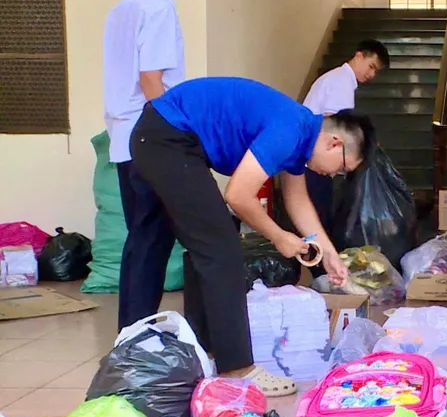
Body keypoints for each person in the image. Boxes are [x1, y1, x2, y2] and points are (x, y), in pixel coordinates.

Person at [129, 76, 372, 395]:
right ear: (333, 143)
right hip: (169, 138)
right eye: (341, 169)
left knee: (153, 244)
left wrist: (327, 252)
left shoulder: (299, 134)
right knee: (220, 247)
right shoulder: (289, 129)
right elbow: (239, 195)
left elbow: (297, 200)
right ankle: (237, 367)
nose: (335, 175)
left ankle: (133, 348)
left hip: (157, 134)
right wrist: (278, 236)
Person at [102, 0, 200, 331]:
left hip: (124, 138)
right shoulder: (158, 5)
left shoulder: (123, 8)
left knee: (142, 238)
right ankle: (138, 335)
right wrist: (174, 132)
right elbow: (151, 79)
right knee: (154, 240)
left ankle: (131, 330)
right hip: (151, 139)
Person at [301, 39, 390, 267]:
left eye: (376, 72)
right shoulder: (340, 81)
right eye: (371, 66)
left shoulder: (339, 80)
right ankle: (319, 270)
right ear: (358, 55)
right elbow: (337, 125)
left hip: (310, 156)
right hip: (313, 161)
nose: (371, 75)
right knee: (317, 219)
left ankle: (319, 267)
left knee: (317, 216)